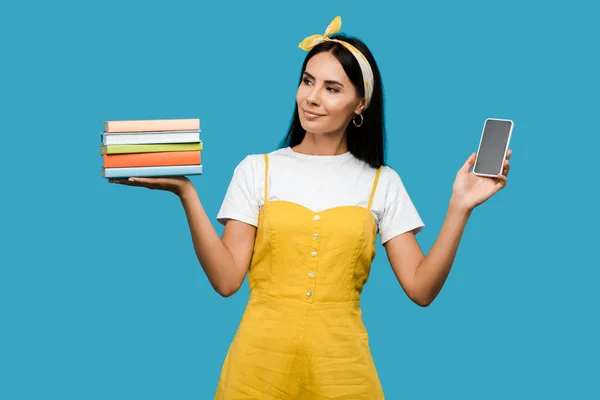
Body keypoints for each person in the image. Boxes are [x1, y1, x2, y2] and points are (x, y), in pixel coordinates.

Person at [109, 15, 512, 400]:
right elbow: (227, 280)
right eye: (307, 81)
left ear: (360, 104)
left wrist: (460, 207)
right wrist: (187, 195)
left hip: (344, 374)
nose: (312, 98)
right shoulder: (257, 170)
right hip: (258, 372)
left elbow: (421, 290)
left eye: (332, 88)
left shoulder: (382, 182)